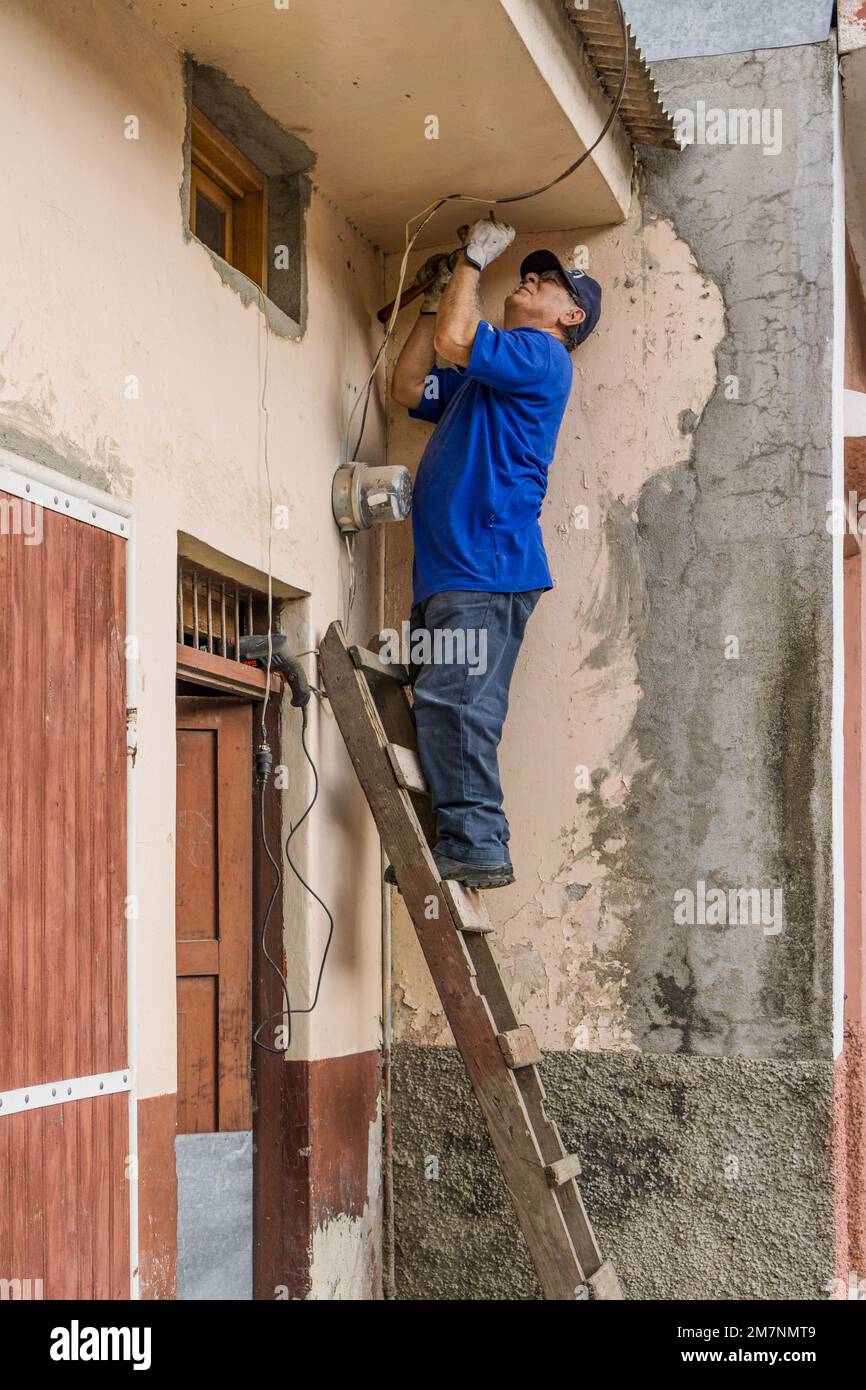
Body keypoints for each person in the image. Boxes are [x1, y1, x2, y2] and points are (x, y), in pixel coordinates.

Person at [388, 217, 602, 888]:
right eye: (527, 271)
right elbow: (406, 387)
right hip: (454, 574)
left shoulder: (542, 356)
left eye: (549, 280)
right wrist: (432, 303)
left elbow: (459, 338)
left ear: (569, 314)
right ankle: (463, 837)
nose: (531, 277)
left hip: (485, 570)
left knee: (460, 706)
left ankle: (477, 846)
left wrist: (474, 266)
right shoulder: (488, 381)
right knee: (445, 705)